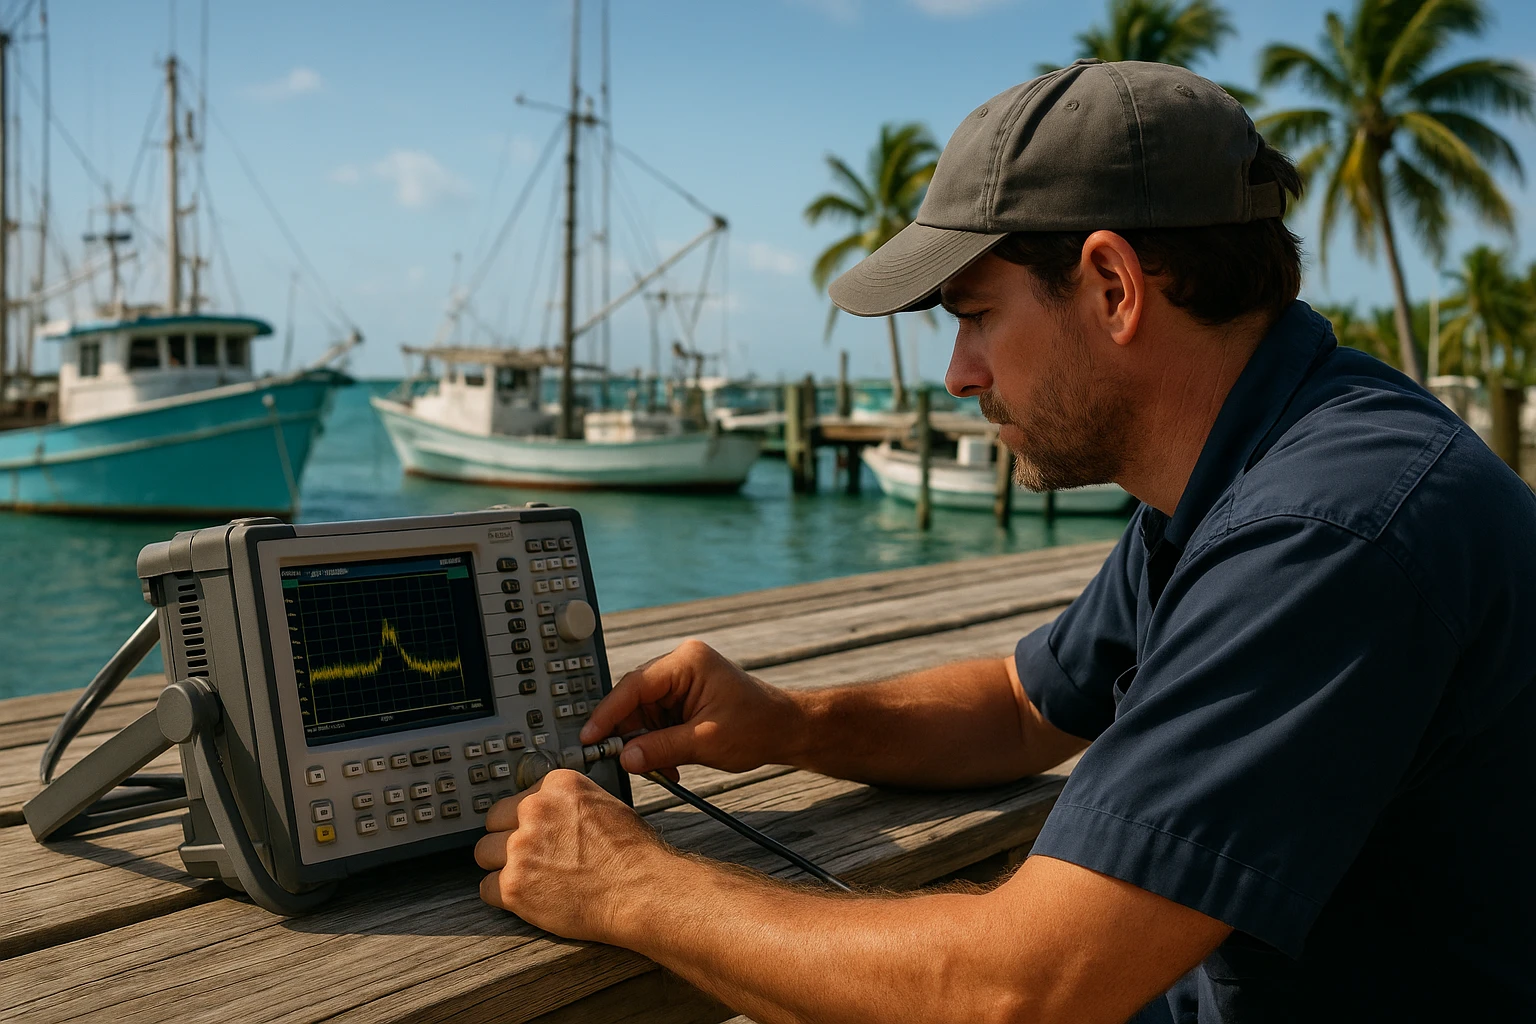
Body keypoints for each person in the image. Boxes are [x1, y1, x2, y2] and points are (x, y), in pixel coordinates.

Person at [474, 60, 1536, 1023]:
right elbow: (1029, 706)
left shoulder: (1324, 534)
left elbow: (1023, 992)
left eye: (975, 313)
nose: (959, 374)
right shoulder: (1247, 458)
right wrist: (787, 722)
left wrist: (632, 888)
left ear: (1114, 288)